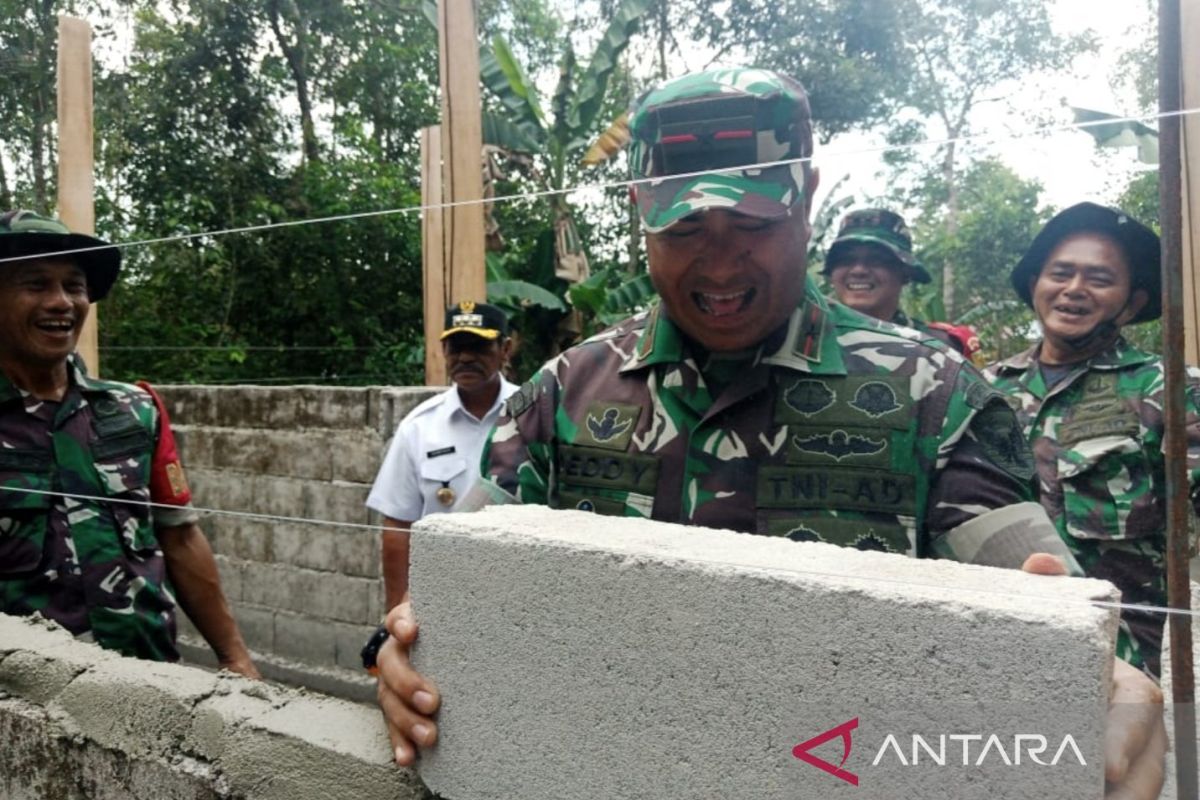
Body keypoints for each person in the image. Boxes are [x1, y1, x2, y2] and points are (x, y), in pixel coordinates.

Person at [373, 72, 1166, 797]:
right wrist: (399, 654)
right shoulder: (563, 393)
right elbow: (448, 590)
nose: (719, 265)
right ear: (638, 216)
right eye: (684, 230)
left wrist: (1111, 681)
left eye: (751, 221)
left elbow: (1051, 600)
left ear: (808, 197)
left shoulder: (933, 393)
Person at [0, 210, 258, 678]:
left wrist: (234, 658)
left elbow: (179, 535)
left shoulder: (134, 409)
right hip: (24, 705)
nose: (61, 302)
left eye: (74, 286)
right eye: (35, 284)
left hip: (149, 687)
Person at [986, 201, 1200, 680]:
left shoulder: (1168, 390)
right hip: (992, 636)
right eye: (1060, 273)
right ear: (1035, 285)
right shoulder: (983, 390)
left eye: (1099, 279)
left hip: (1116, 654)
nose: (1074, 290)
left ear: (1133, 303)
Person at [366, 301, 516, 610]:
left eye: (478, 346)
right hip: (443, 595)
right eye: (455, 347)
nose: (465, 357)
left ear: (505, 349)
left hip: (517, 587)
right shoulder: (419, 427)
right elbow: (397, 523)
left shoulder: (532, 413)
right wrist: (396, 613)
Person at [822, 207, 981, 360]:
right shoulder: (807, 340)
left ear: (905, 273)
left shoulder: (947, 347)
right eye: (845, 260)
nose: (858, 271)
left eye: (876, 260)